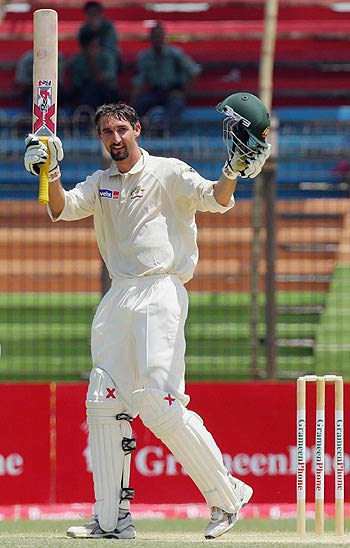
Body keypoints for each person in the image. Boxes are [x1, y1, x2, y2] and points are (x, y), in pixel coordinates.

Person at [23, 93, 271, 540]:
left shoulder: (168, 172)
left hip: (162, 290)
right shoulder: (101, 182)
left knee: (159, 402)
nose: (115, 139)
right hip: (119, 295)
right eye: (107, 132)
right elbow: (60, 208)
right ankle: (111, 518)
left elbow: (215, 199)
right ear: (100, 138)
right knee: (103, 400)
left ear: (137, 130)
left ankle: (227, 496)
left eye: (122, 130)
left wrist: (232, 170)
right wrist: (50, 170)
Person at [130, 21, 201, 132]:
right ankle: (136, 131)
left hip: (173, 90)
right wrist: (132, 103)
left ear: (165, 37)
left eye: (160, 36)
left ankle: (163, 129)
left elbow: (194, 71)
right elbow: (139, 81)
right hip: (155, 91)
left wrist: (183, 93)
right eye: (155, 36)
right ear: (151, 39)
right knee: (141, 105)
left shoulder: (175, 54)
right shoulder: (144, 57)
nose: (157, 39)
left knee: (176, 104)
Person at [66, 27, 119, 109]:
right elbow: (76, 84)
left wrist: (93, 61)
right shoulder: (77, 61)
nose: (96, 49)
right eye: (92, 46)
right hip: (84, 92)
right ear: (84, 48)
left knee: (93, 90)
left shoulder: (107, 58)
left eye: (97, 45)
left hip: (106, 92)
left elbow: (102, 79)